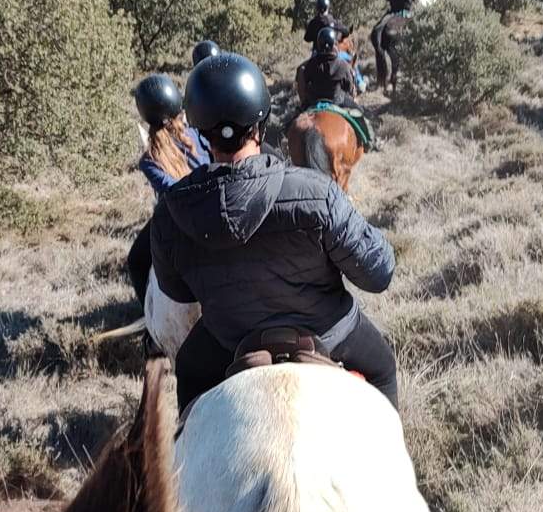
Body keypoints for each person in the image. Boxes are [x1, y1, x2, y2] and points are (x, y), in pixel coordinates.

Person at [150, 52, 399, 416]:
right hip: (329, 332)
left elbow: (177, 290)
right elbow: (378, 275)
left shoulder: (171, 213)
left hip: (227, 340)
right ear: (260, 123)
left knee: (188, 369)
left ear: (202, 133)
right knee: (383, 369)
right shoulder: (316, 192)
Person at [126, 73, 210, 306]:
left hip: (176, 218)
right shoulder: (199, 134)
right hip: (213, 208)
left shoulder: (149, 159)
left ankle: (149, 324)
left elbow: (170, 191)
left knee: (136, 261)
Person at [296, 25, 359, 111]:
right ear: (334, 44)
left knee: (295, 117)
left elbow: (305, 80)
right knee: (360, 112)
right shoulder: (343, 65)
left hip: (313, 102)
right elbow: (349, 88)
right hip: (338, 102)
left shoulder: (311, 64)